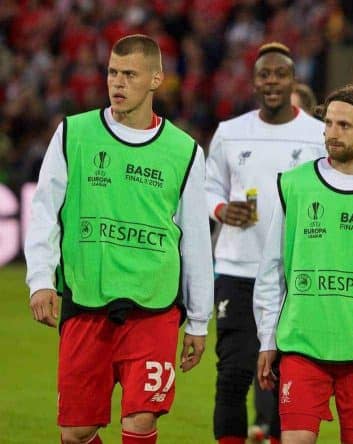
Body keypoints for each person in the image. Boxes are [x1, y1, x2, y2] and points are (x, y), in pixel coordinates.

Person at [25, 34, 214, 444]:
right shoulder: (74, 133)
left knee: (141, 421)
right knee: (75, 431)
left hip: (154, 306)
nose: (118, 83)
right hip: (87, 299)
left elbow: (196, 241)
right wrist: (40, 279)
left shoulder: (183, 152)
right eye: (113, 72)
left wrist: (199, 320)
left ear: (156, 79)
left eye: (130, 74)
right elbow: (44, 211)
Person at [254, 85, 353, 444]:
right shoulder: (295, 185)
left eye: (343, 125)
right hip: (302, 343)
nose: (331, 134)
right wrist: (267, 340)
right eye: (327, 124)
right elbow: (272, 270)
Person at [205, 42, 326, 444]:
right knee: (233, 375)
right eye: (264, 74)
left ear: (293, 80)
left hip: (294, 274)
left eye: (279, 73)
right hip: (238, 269)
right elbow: (206, 188)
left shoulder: (317, 135)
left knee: (286, 377)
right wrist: (221, 209)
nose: (271, 81)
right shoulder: (231, 132)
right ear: (254, 82)